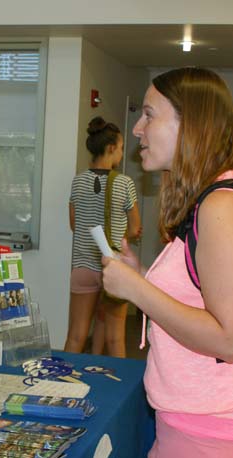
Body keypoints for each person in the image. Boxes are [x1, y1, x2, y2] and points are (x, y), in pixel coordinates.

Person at [101, 67, 233, 458]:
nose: (138, 128)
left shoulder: (222, 207)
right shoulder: (220, 198)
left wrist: (137, 290)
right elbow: (206, 301)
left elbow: (227, 338)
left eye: (149, 114)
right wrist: (141, 277)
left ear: (191, 124)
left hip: (215, 442)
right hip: (201, 434)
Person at [65, 116, 140, 358]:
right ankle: (119, 389)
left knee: (76, 336)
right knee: (116, 338)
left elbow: (74, 224)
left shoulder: (78, 182)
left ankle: (61, 388)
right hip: (113, 268)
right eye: (120, 148)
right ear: (110, 148)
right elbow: (135, 227)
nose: (121, 154)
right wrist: (123, 236)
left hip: (83, 266)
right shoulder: (125, 183)